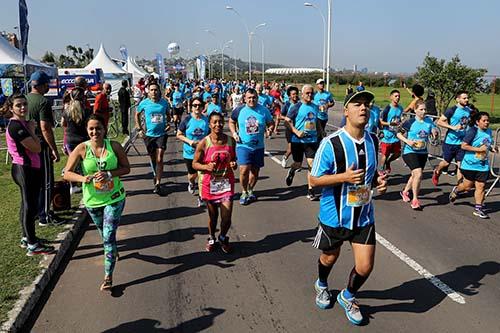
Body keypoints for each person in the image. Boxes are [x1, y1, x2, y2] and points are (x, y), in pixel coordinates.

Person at [310, 90, 387, 325]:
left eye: (367, 105)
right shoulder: (331, 143)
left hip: (363, 215)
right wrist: (343, 177)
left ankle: (348, 296)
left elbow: (371, 175)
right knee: (329, 257)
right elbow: (313, 180)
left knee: (365, 266)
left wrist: (378, 183)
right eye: (357, 104)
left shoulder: (373, 140)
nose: (363, 108)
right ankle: (322, 284)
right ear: (346, 111)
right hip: (335, 216)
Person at [63, 114, 130, 291]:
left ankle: (108, 277)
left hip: (115, 198)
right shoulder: (81, 149)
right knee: (104, 233)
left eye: (98, 128)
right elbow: (66, 173)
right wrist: (83, 178)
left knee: (108, 236)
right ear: (87, 130)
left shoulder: (114, 146)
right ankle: (113, 250)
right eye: (91, 129)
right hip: (92, 201)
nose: (95, 132)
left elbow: (126, 168)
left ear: (104, 129)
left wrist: (109, 174)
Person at [3, 93, 55, 256]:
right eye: (18, 105)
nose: (23, 107)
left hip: (30, 168)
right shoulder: (16, 126)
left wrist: (30, 128)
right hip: (23, 169)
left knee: (27, 204)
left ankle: (27, 238)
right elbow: (36, 148)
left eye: (25, 104)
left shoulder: (23, 123)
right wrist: (32, 131)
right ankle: (32, 245)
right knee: (29, 205)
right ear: (11, 108)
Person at [193, 112, 237, 253]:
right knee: (213, 217)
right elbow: (195, 164)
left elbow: (233, 159)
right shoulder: (204, 143)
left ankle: (223, 237)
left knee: (227, 216)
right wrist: (206, 167)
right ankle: (211, 237)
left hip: (226, 183)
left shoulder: (231, 141)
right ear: (210, 124)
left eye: (220, 122)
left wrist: (234, 164)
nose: (218, 124)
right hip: (210, 184)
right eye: (215, 122)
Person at [26, 70, 62, 226]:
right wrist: (53, 148)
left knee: (32, 183)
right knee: (46, 182)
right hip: (40, 145)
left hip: (26, 146)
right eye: (47, 84)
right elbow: (45, 127)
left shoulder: (24, 100)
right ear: (42, 85)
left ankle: (34, 212)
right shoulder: (43, 102)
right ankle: (45, 215)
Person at [229, 88, 274, 205]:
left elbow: (271, 123)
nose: (251, 100)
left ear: (257, 98)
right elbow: (231, 121)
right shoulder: (239, 110)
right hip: (243, 145)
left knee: (255, 171)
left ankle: (250, 189)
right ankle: (244, 191)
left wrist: (270, 129)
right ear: (245, 98)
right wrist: (234, 133)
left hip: (258, 146)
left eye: (254, 98)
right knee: (244, 170)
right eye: (249, 98)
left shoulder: (264, 110)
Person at [449, 112, 497, 219]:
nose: (487, 123)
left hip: (483, 165)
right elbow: (464, 146)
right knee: (467, 186)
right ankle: (456, 190)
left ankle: (478, 208)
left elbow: (487, 144)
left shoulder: (489, 131)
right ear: (477, 122)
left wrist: (492, 148)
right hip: (469, 165)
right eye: (484, 121)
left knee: (481, 186)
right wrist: (478, 149)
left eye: (488, 120)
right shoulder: (473, 131)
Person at [284, 84, 323, 200]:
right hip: (298, 140)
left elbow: (317, 122)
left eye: (312, 93)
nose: (310, 95)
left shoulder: (315, 107)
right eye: (307, 93)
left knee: (312, 164)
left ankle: (310, 190)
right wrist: (296, 132)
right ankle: (292, 170)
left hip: (311, 140)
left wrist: (322, 132)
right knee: (298, 164)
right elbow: (287, 122)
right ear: (302, 94)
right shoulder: (296, 107)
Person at [397, 100, 438, 210]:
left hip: (423, 152)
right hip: (410, 151)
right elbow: (398, 133)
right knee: (418, 173)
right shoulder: (409, 122)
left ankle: (405, 192)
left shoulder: (429, 121)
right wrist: (407, 141)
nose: (424, 111)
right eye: (421, 109)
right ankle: (415, 199)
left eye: (425, 109)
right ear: (415, 110)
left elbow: (434, 131)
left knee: (415, 175)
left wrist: (434, 134)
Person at [135, 81, 170, 195]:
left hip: (161, 134)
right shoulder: (144, 103)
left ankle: (158, 184)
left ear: (159, 91)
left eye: (156, 90)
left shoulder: (164, 103)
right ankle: (156, 175)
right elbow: (137, 114)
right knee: (153, 158)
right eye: (152, 90)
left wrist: (168, 123)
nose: (154, 92)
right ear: (148, 92)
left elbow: (168, 114)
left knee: (159, 158)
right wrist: (139, 128)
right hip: (149, 135)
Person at [432, 91, 471, 186]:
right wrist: (453, 127)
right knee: (446, 163)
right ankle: (437, 172)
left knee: (460, 165)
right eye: (464, 98)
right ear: (458, 99)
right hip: (450, 141)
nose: (467, 100)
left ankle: (459, 186)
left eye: (467, 98)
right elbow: (440, 122)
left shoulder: (468, 110)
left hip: (462, 143)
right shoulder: (452, 110)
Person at [177, 97, 210, 207]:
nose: (197, 107)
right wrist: (190, 142)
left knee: (202, 175)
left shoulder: (206, 120)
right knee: (192, 175)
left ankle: (202, 197)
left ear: (203, 107)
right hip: (189, 153)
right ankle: (191, 183)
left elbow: (210, 135)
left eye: (199, 105)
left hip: (203, 153)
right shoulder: (187, 120)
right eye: (194, 105)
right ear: (191, 107)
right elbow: (179, 134)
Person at [61, 88, 92, 194]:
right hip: (84, 140)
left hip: (70, 140)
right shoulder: (87, 110)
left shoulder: (67, 110)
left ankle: (73, 185)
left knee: (72, 164)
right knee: (86, 164)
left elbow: (63, 124)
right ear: (83, 97)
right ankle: (86, 183)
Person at [379, 89, 403, 173]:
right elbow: (381, 121)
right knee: (385, 154)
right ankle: (381, 171)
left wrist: (400, 126)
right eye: (396, 96)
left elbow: (399, 120)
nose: (397, 98)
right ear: (391, 97)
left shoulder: (400, 108)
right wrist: (390, 123)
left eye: (399, 96)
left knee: (397, 153)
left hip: (396, 135)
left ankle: (388, 162)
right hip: (387, 135)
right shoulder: (387, 109)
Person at [280, 86, 300, 168]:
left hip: (299, 128)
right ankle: (285, 157)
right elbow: (280, 115)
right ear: (289, 96)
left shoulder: (300, 104)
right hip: (290, 129)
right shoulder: (287, 104)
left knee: (299, 148)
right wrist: (287, 119)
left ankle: (298, 164)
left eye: (296, 94)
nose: (295, 96)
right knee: (291, 149)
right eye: (293, 94)